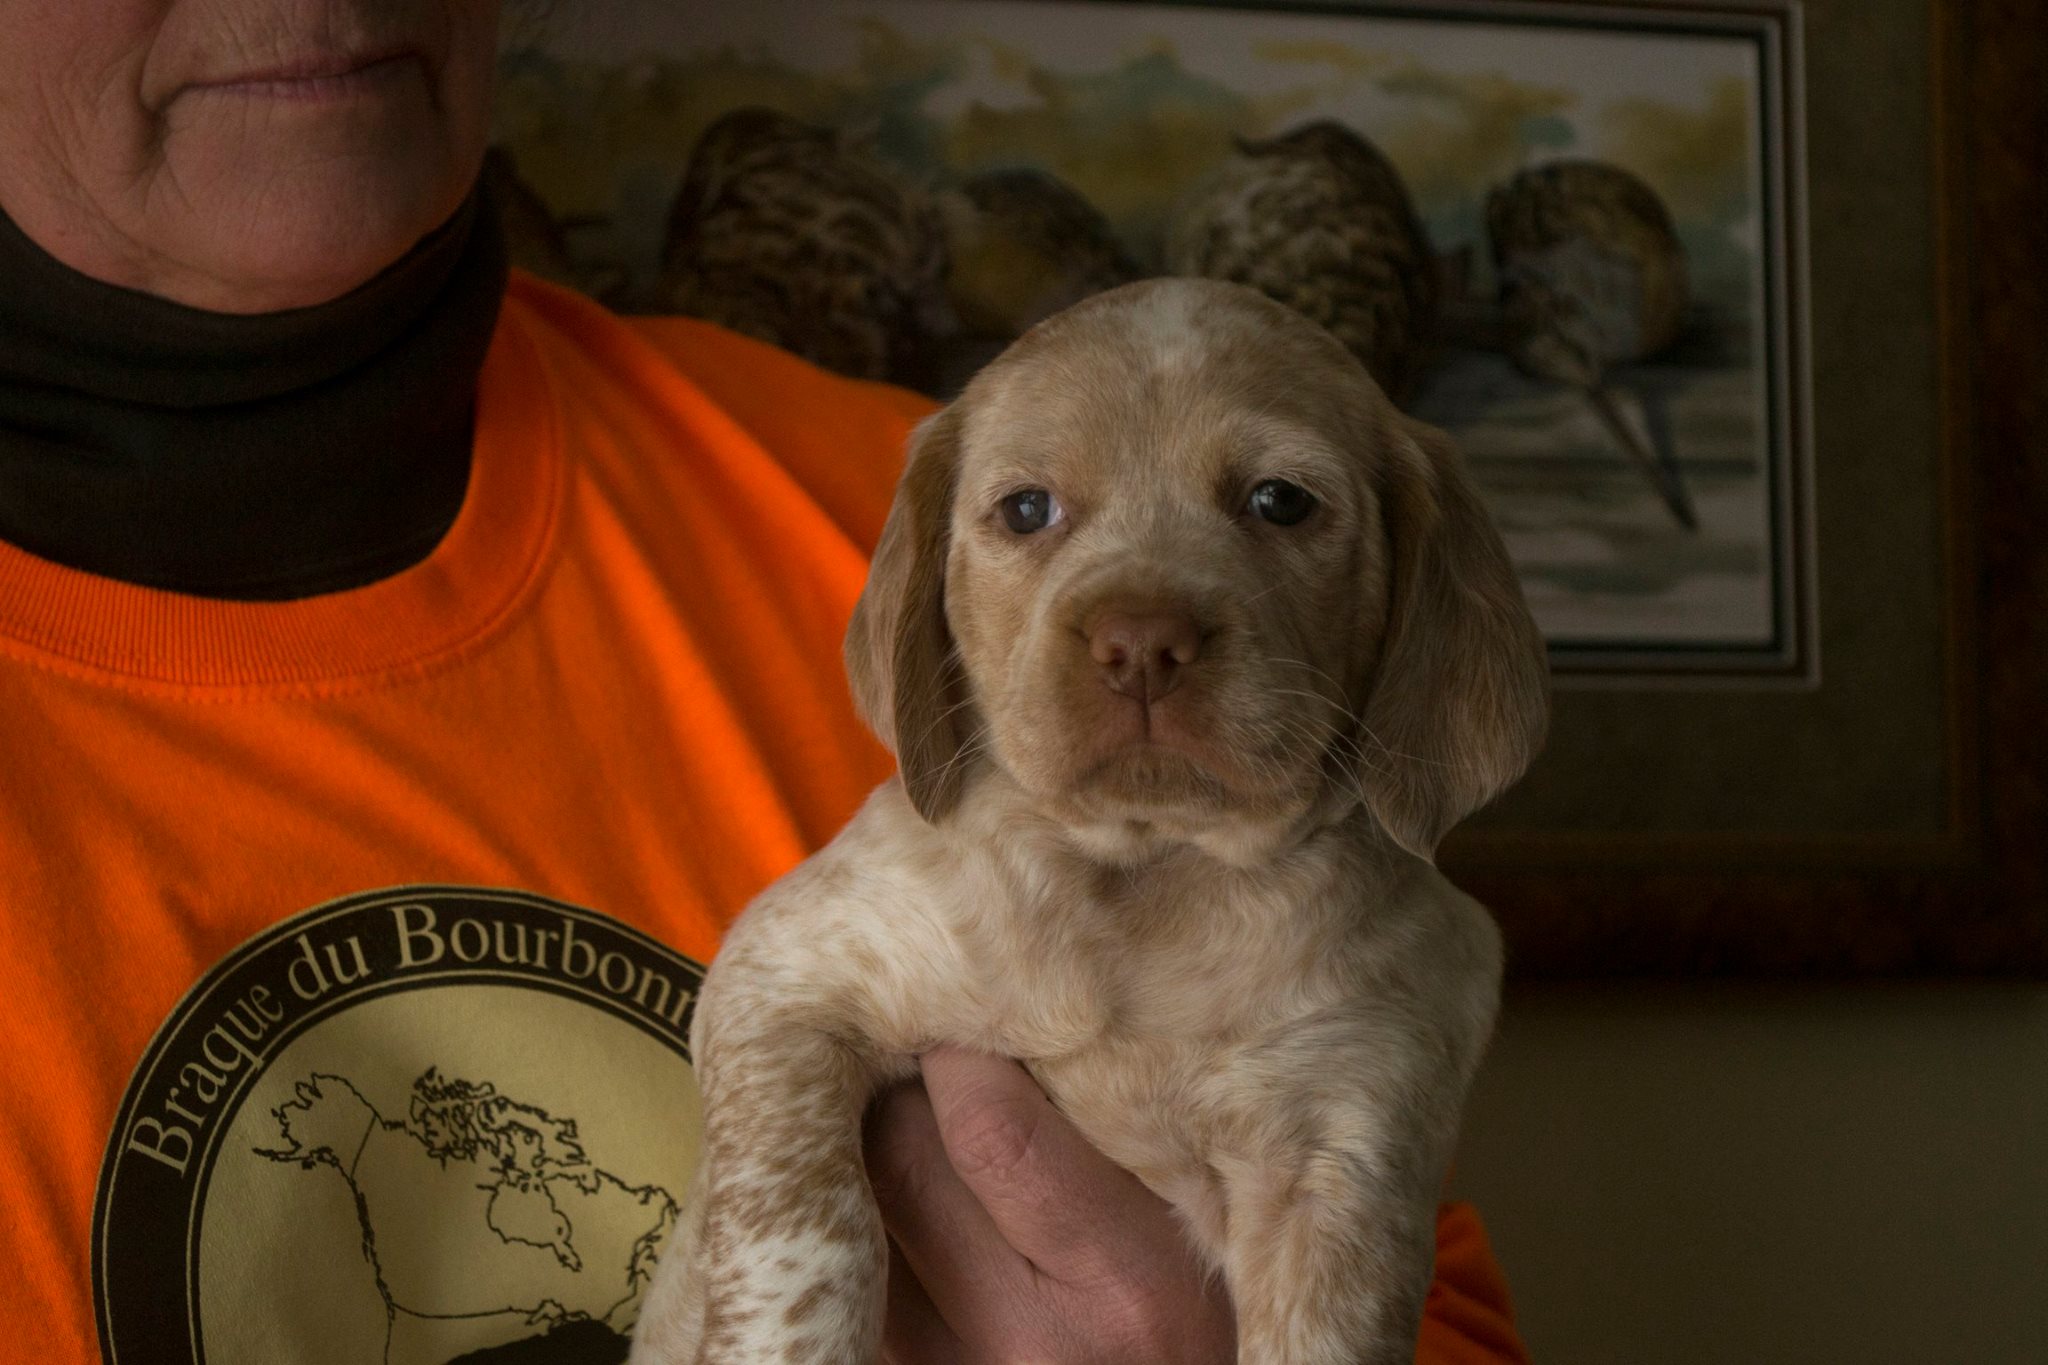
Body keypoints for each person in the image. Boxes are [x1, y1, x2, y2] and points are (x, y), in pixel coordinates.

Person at [0, 3, 1532, 1362]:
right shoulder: (973, 531)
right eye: (1038, 517)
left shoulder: (940, 541)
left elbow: (1409, 1288)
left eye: (1276, 505)